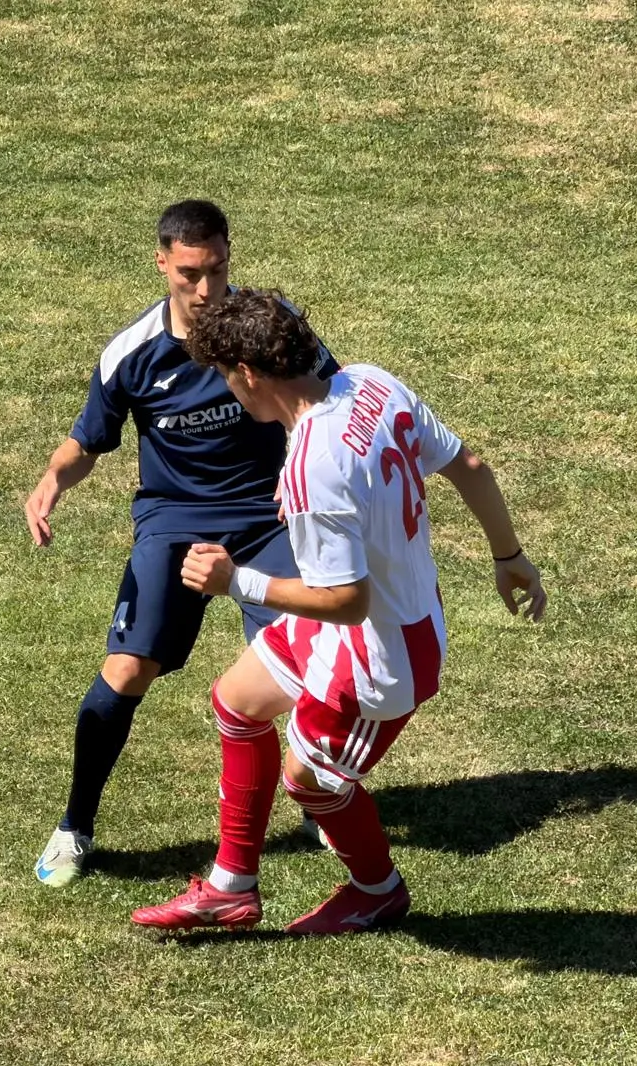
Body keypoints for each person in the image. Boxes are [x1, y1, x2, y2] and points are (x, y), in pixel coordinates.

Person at [128, 289, 547, 935]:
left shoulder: (311, 468)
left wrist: (238, 582)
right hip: (384, 618)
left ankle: (376, 890)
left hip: (381, 657)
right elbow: (469, 465)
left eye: (224, 378)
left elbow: (348, 602)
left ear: (248, 375)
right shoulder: (371, 383)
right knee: (237, 700)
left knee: (313, 783)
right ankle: (231, 887)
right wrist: (508, 555)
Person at [28, 202, 333, 887]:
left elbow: (328, 395)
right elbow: (88, 441)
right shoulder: (132, 353)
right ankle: (75, 825)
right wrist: (53, 479)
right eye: (190, 274)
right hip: (175, 520)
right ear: (162, 263)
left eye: (217, 270)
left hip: (270, 515)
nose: (206, 289)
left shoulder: (266, 326)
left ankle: (316, 794)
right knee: (128, 669)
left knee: (308, 661)